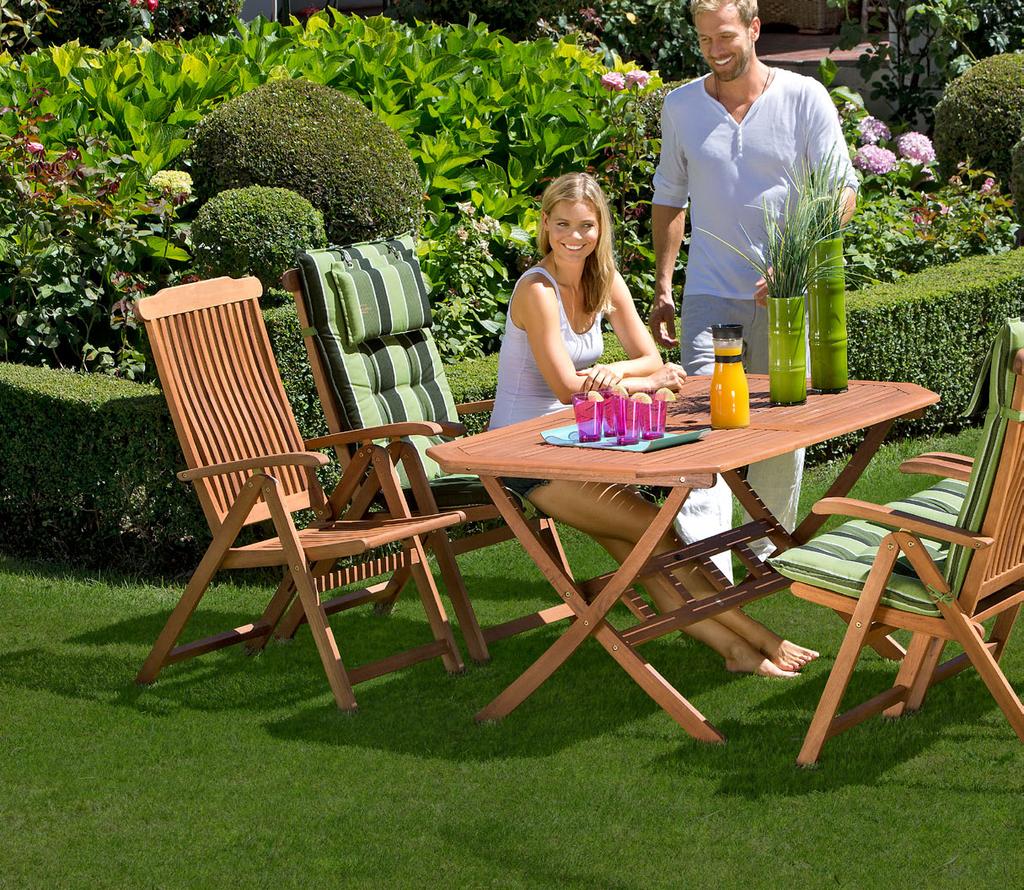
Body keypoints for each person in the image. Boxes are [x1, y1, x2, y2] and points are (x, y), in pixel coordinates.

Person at [490, 171, 817, 677]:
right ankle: (762, 638)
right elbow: (563, 387)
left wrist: (614, 372)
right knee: (653, 537)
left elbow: (647, 355)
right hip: (523, 452)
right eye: (562, 225)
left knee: (643, 550)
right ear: (544, 226)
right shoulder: (538, 290)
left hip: (581, 441)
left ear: (601, 228)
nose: (573, 237)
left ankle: (735, 653)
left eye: (585, 226)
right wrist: (639, 380)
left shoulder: (604, 280)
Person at [649, 0, 859, 579]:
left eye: (725, 37)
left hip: (786, 299)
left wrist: (792, 259)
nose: (715, 51)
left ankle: (763, 555)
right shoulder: (683, 106)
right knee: (699, 426)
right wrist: (664, 286)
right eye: (704, 40)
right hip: (710, 295)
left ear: (754, 29)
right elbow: (670, 196)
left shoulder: (803, 98)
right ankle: (707, 568)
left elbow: (842, 191)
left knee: (780, 429)